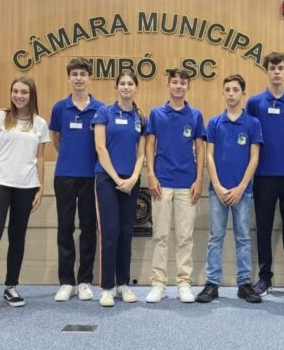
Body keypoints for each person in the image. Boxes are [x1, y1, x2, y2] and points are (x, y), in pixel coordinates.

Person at [0, 77, 50, 314]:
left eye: (24, 92)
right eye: (15, 91)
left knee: (18, 237)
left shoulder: (39, 123)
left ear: (31, 94)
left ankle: (11, 286)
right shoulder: (0, 117)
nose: (19, 95)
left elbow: (40, 157)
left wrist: (40, 187)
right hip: (0, 185)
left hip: (26, 186)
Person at [245, 52, 284, 298]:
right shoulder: (255, 103)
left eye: (280, 67)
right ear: (266, 71)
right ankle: (264, 277)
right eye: (272, 68)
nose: (276, 72)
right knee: (263, 227)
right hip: (263, 175)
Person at [196, 74, 263, 304]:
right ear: (223, 93)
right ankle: (212, 283)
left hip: (243, 192)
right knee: (215, 237)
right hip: (218, 191)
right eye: (228, 89)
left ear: (243, 93)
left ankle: (244, 284)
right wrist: (217, 185)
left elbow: (254, 158)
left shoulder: (252, 123)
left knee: (243, 237)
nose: (231, 93)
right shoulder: (214, 122)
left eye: (236, 89)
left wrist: (241, 187)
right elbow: (209, 156)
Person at [144, 68, 205, 304]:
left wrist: (199, 179)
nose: (179, 86)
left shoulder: (196, 115)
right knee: (159, 235)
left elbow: (200, 149)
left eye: (183, 83)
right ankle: (158, 283)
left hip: (187, 183)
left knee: (184, 237)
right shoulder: (157, 114)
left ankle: (183, 283)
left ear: (188, 87)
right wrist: (150, 174)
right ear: (169, 86)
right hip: (161, 182)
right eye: (175, 82)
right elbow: (150, 145)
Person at [50, 58, 104, 302]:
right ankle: (66, 281)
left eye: (83, 74)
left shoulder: (100, 109)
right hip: (65, 176)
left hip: (91, 176)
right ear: (69, 78)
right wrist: (70, 159)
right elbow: (57, 140)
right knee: (65, 228)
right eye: (75, 74)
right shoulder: (60, 108)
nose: (79, 78)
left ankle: (84, 280)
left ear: (90, 78)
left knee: (88, 229)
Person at [93, 69, 147, 307]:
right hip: (107, 179)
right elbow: (100, 148)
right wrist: (116, 178)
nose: (126, 87)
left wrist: (134, 177)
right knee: (110, 233)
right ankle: (106, 287)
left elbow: (141, 153)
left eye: (130, 84)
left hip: (130, 182)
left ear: (136, 88)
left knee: (126, 233)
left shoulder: (140, 117)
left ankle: (123, 284)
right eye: (122, 83)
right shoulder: (104, 112)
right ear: (116, 88)